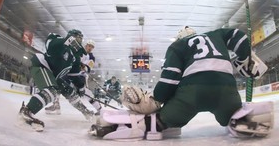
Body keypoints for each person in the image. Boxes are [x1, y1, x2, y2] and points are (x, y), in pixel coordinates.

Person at [90, 26, 272, 140]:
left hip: (191, 94)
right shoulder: (217, 34)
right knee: (232, 112)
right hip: (227, 91)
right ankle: (241, 118)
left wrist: (157, 100)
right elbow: (239, 36)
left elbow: (170, 78)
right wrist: (243, 59)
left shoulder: (178, 46)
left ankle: (146, 125)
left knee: (160, 119)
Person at [17, 29, 95, 132]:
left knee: (70, 93)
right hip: (42, 66)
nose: (78, 41)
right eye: (76, 38)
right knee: (52, 91)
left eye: (80, 39)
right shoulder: (59, 42)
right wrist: (65, 42)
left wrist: (80, 87)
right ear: (70, 37)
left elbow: (74, 76)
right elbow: (51, 43)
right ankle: (26, 112)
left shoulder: (74, 58)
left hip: (54, 76)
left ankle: (86, 112)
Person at [45, 39, 99, 115]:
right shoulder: (78, 51)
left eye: (92, 47)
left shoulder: (91, 57)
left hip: (80, 76)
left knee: (84, 93)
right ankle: (56, 104)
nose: (90, 48)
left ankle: (98, 108)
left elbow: (89, 67)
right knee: (58, 86)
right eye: (89, 46)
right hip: (68, 74)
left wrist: (85, 67)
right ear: (85, 45)